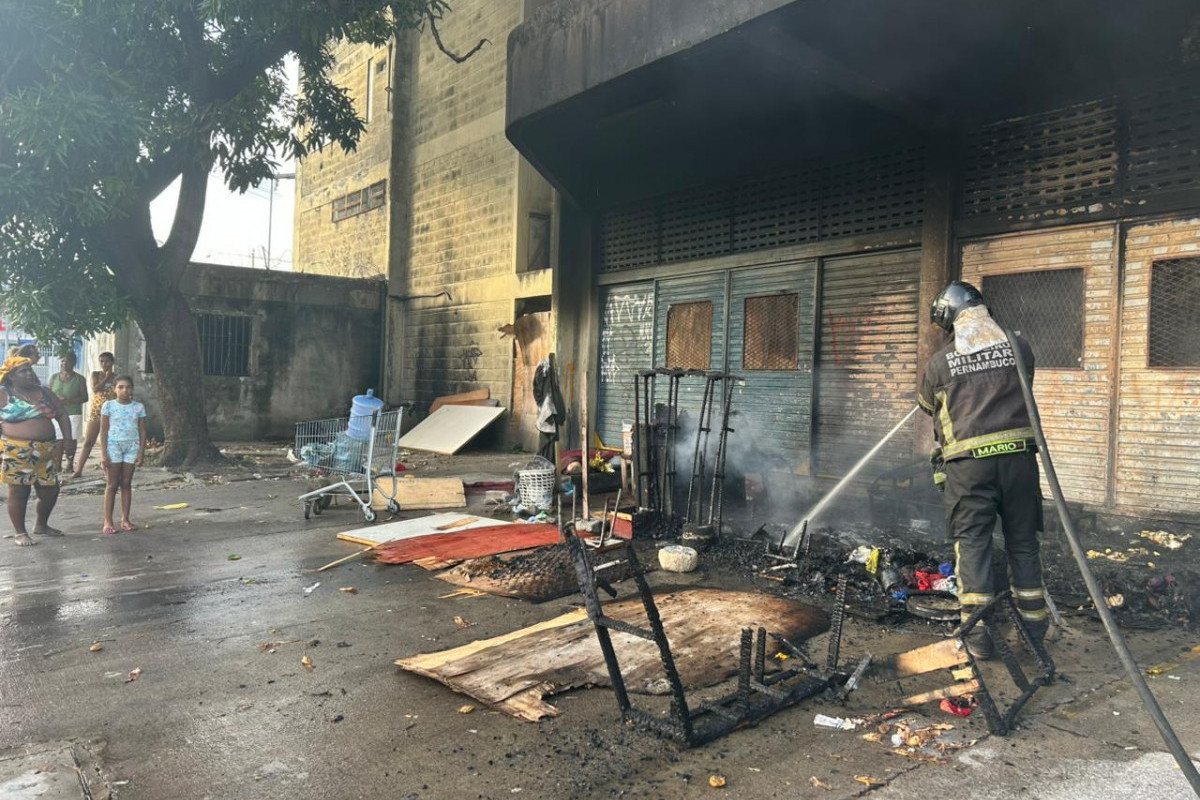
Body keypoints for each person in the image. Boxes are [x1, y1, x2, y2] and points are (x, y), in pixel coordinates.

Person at [918, 280, 1047, 659]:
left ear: (951, 318)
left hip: (969, 470)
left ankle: (976, 634)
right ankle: (1034, 628)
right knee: (1023, 542)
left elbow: (927, 406)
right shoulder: (1018, 347)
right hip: (1019, 463)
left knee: (973, 543)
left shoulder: (940, 363)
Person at [0, 356, 71, 545]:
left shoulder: (44, 393)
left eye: (30, 369)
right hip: (17, 449)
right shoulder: (4, 394)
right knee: (18, 491)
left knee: (50, 490)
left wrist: (67, 439)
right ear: (11, 376)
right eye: (23, 371)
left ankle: (41, 525)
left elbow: (62, 414)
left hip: (47, 449)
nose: (29, 373)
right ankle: (20, 532)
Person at [100, 375, 146, 535]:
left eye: (127, 387)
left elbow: (142, 431)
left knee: (126, 483)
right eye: (120, 387)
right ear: (114, 389)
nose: (124, 390)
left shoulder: (138, 407)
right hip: (113, 446)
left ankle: (125, 519)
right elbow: (103, 430)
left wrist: (141, 452)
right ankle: (108, 521)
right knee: (112, 484)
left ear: (132, 389)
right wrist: (104, 453)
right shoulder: (108, 406)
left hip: (132, 446)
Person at [71, 351, 117, 479]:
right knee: (88, 441)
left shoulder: (117, 377)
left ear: (112, 362)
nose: (104, 364)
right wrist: (106, 378)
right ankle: (79, 469)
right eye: (101, 361)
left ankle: (108, 469)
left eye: (107, 361)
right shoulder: (96, 375)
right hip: (96, 412)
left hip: (112, 413)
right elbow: (95, 388)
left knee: (108, 442)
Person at [50, 352, 87, 471]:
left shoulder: (79, 379)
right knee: (58, 439)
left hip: (73, 412)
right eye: (62, 361)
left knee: (71, 439)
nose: (64, 363)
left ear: (73, 363)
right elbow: (49, 394)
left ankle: (70, 463)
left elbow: (85, 397)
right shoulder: (54, 377)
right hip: (57, 413)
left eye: (67, 361)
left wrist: (68, 400)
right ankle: (57, 463)